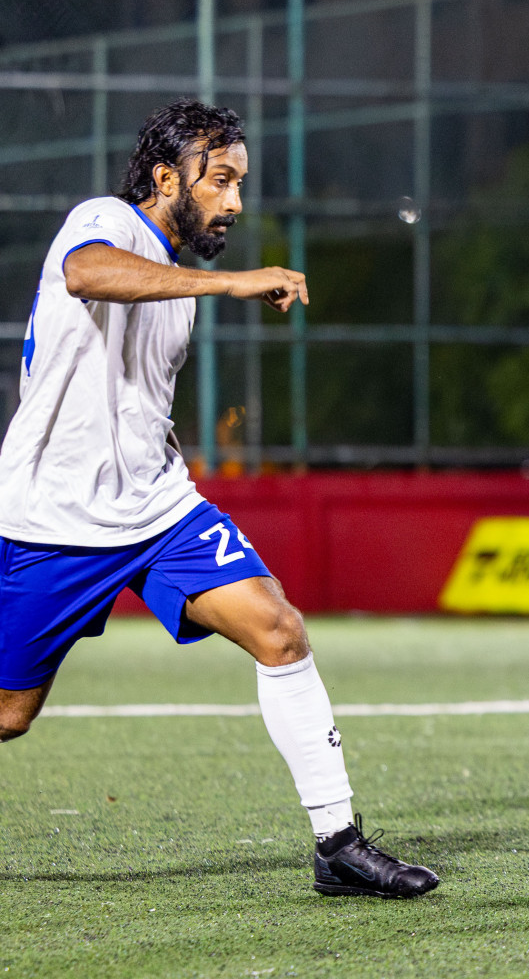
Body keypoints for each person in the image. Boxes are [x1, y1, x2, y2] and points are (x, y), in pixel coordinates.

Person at [0, 100, 438, 899]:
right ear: (168, 179)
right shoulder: (104, 222)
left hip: (160, 512)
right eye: (222, 181)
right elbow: (86, 274)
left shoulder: (180, 286)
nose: (236, 202)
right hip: (51, 519)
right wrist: (236, 281)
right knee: (9, 714)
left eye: (241, 182)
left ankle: (338, 846)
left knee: (279, 630)